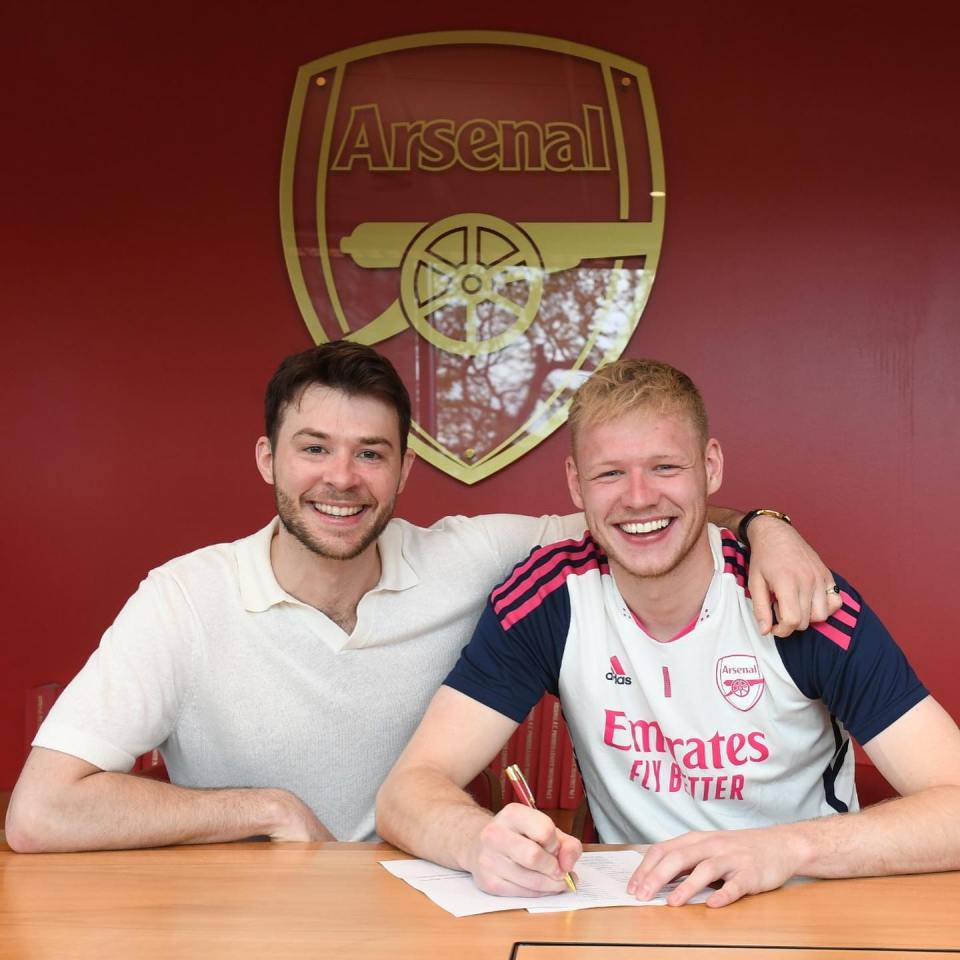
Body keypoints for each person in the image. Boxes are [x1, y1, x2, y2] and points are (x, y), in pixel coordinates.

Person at [6, 344, 838, 853]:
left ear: (406, 472)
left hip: (418, 903)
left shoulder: (464, 557)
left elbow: (639, 514)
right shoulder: (184, 599)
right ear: (266, 459)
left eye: (371, 453)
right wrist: (264, 810)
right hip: (243, 914)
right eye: (314, 449)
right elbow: (39, 815)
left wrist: (769, 525)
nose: (341, 478)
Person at [375, 357, 960, 907]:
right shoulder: (550, 598)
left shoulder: (796, 599)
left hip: (808, 901)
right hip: (637, 912)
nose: (638, 497)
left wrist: (785, 847)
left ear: (710, 467)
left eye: (664, 467)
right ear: (577, 486)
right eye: (610, 473)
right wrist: (477, 840)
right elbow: (407, 792)